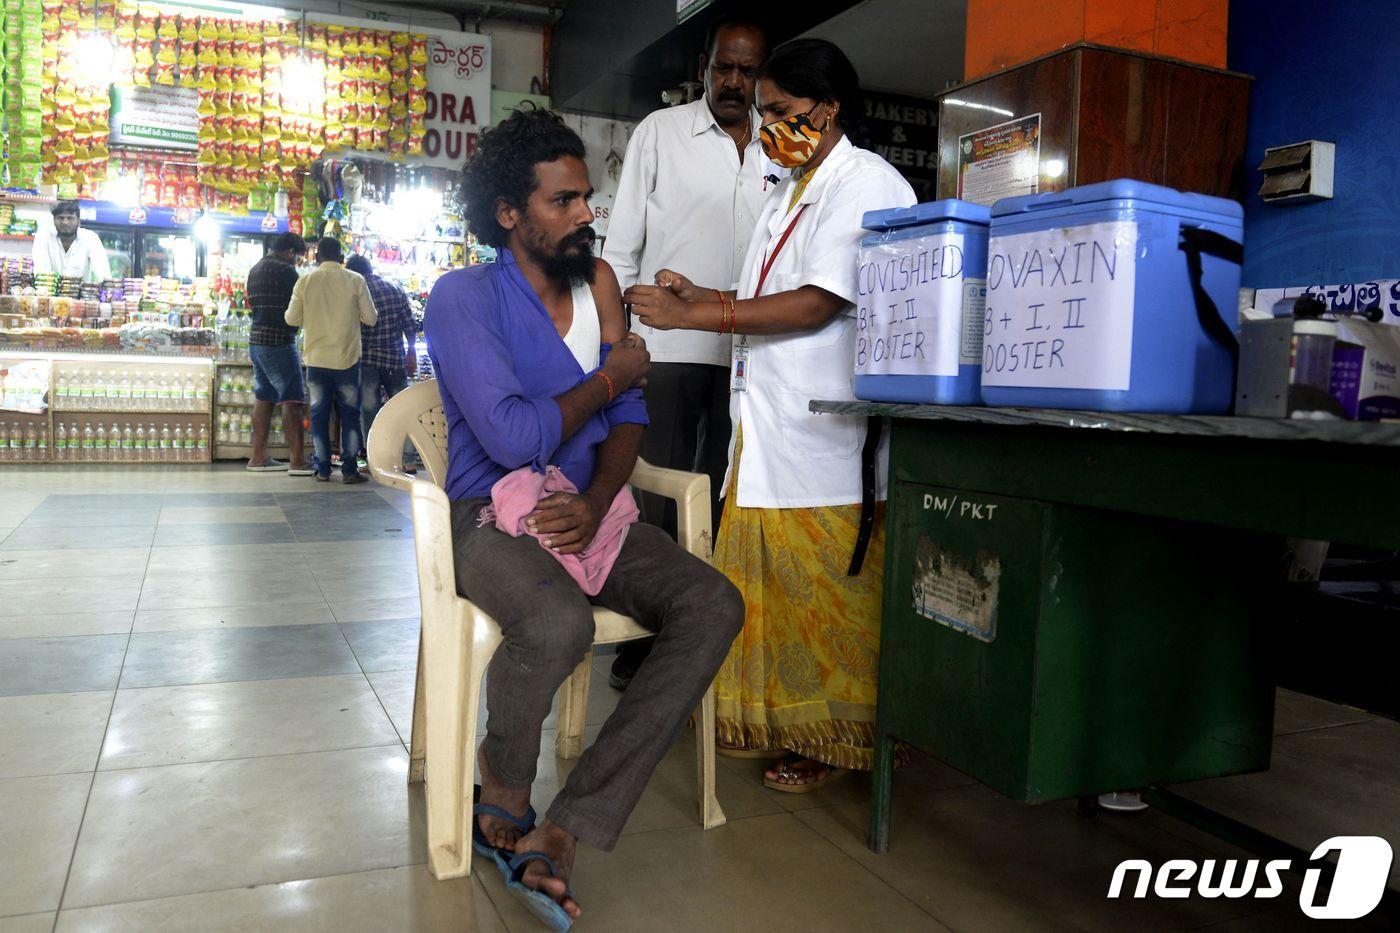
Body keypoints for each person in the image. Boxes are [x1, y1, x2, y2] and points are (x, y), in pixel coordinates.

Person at [423, 108, 744, 925]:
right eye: (563, 201)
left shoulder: (598, 284)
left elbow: (631, 416)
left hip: (588, 505)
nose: (586, 215)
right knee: (558, 623)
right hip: (484, 516)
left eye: (586, 198)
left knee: (712, 601)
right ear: (509, 213)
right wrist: (610, 376)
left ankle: (571, 819)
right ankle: (501, 788)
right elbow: (511, 433)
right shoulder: (463, 298)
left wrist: (598, 500)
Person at [624, 38, 917, 793]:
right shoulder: (788, 187)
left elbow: (822, 299)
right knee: (769, 587)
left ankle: (841, 736)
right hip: (770, 424)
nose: (770, 127)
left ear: (829, 109)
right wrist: (698, 298)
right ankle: (781, 718)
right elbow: (760, 290)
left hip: (826, 431)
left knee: (828, 590)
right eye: (765, 112)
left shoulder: (865, 183)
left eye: (784, 112)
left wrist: (713, 312)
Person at [600, 17, 772, 691]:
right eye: (724, 68)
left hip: (750, 359)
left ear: (763, 75)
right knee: (656, 501)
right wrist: (616, 342)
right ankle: (638, 644)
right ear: (706, 66)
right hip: (666, 349)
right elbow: (619, 251)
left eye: (748, 71)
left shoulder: (777, 150)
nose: (734, 82)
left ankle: (703, 638)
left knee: (722, 500)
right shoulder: (660, 133)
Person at [284, 236, 377, 484]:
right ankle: (349, 470)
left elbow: (291, 319)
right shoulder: (356, 280)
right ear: (342, 257)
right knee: (349, 416)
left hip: (316, 360)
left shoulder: (305, 281)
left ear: (317, 256)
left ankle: (323, 468)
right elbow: (371, 318)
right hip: (347, 360)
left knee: (318, 416)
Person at [245, 233, 311, 474]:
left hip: (257, 340)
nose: (297, 262)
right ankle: (297, 460)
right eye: (298, 257)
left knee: (264, 397)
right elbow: (298, 307)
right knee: (293, 399)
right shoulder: (286, 272)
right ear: (291, 252)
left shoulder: (255, 269)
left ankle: (258, 456)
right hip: (279, 341)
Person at [344, 253, 418, 466]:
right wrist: (411, 352)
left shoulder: (356, 290)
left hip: (367, 360)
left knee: (369, 412)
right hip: (395, 359)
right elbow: (409, 325)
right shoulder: (395, 288)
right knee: (403, 409)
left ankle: (375, 460)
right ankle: (409, 459)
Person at [33, 201, 112, 283]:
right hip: (49, 293)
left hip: (80, 294)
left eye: (70, 218)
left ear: (78, 220)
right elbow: (41, 273)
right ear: (54, 220)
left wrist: (108, 291)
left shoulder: (90, 238)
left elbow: (103, 273)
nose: (65, 222)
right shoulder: (43, 237)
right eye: (60, 218)